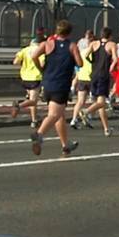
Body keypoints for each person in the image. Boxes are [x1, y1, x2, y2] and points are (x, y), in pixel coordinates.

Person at [29, 20, 80, 158]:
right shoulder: (72, 45)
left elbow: (33, 56)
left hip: (48, 83)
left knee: (60, 115)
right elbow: (80, 62)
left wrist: (41, 68)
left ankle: (65, 145)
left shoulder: (47, 44)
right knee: (55, 115)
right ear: (69, 33)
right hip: (61, 83)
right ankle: (39, 134)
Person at [8, 31, 39, 123]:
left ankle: (34, 120)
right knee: (33, 101)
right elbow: (42, 63)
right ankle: (19, 105)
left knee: (32, 99)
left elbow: (15, 62)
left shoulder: (24, 50)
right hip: (35, 77)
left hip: (25, 77)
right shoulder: (39, 50)